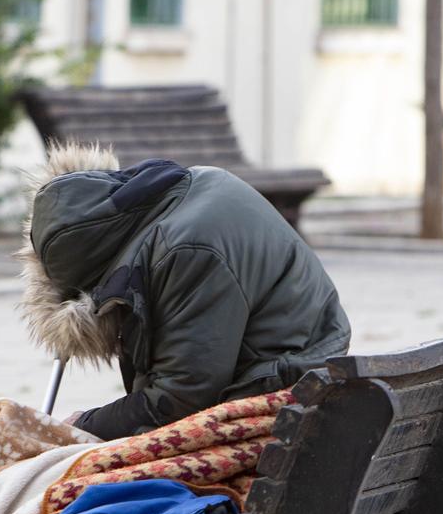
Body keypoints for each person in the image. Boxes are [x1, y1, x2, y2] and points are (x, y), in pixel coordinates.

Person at [18, 146, 351, 440]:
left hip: (279, 386)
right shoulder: (190, 188)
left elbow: (182, 396)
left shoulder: (184, 250)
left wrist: (84, 424)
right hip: (296, 362)